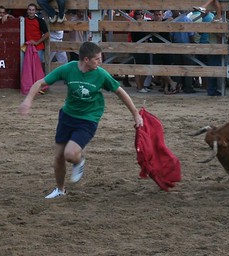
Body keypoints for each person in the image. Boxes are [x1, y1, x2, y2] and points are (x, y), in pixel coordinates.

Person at [18, 41, 144, 199]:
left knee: (69, 154)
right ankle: (60, 190)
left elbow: (120, 92)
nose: (100, 62)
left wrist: (135, 114)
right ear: (86, 59)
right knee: (58, 156)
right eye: (97, 59)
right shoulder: (68, 68)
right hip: (67, 116)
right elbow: (40, 83)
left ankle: (78, 161)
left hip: (88, 118)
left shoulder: (101, 74)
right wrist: (28, 101)